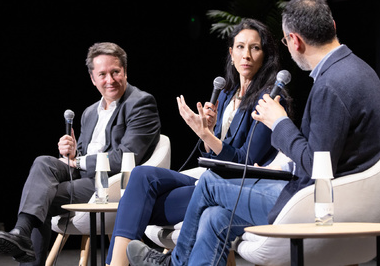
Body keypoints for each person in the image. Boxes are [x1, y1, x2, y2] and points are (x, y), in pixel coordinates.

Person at [126, 0, 380, 266]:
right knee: (214, 217)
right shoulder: (358, 69)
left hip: (317, 204)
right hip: (334, 195)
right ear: (332, 26)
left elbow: (316, 165)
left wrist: (280, 123)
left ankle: (172, 263)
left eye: (286, 41)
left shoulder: (331, 85)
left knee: (209, 183)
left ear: (295, 41)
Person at [105, 18, 291, 266]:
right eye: (240, 47)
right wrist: (209, 131)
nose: (246, 55)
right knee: (141, 176)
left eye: (255, 48)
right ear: (230, 53)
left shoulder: (270, 99)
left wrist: (206, 135)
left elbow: (245, 160)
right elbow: (214, 158)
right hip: (211, 176)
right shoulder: (227, 94)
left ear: (265, 54)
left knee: (137, 204)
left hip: (233, 188)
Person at [0, 42, 161, 265]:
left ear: (125, 71)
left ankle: (26, 252)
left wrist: (78, 161)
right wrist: (71, 153)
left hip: (111, 183)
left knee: (43, 195)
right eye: (102, 74)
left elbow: (126, 158)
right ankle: (22, 232)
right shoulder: (90, 112)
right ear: (93, 78)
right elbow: (81, 155)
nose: (109, 80)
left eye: (115, 72)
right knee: (43, 162)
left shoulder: (141, 103)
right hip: (85, 178)